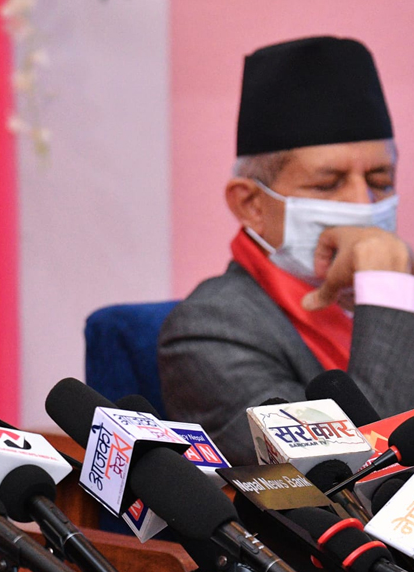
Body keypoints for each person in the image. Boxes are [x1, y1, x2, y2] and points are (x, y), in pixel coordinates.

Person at [159, 36, 414, 466]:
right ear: (251, 205)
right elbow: (360, 474)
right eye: (327, 184)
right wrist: (386, 289)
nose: (363, 204)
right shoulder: (211, 330)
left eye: (380, 180)